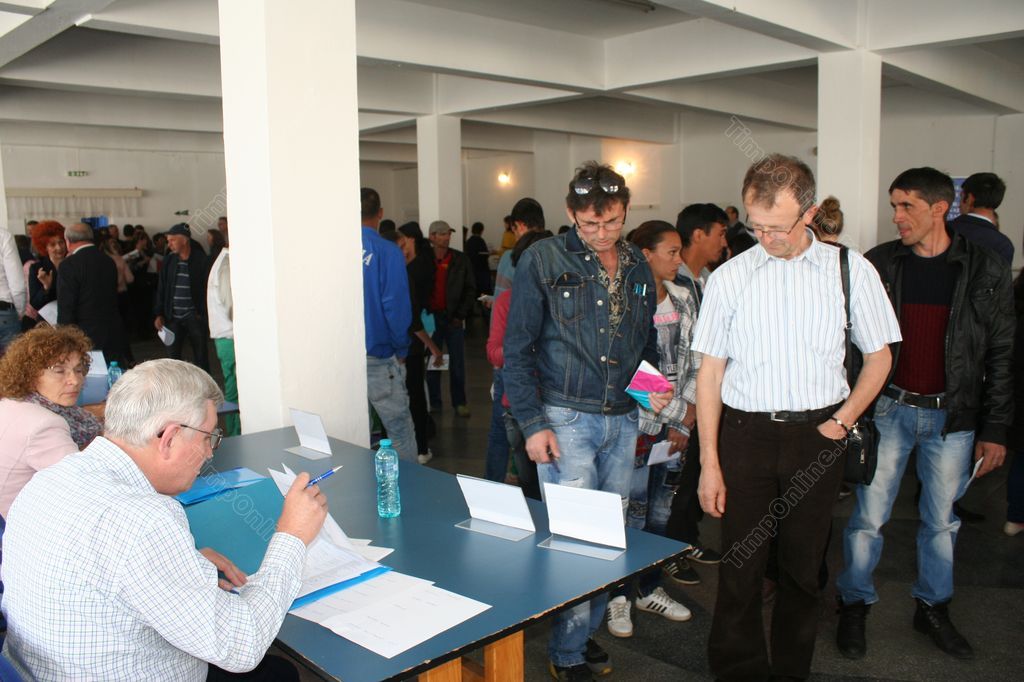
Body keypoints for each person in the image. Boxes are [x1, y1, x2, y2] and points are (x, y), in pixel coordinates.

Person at [692, 153, 900, 681]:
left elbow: (879, 357)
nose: (766, 238)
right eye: (755, 226)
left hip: (818, 434)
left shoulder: (850, 270)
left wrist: (842, 421)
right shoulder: (730, 277)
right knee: (740, 566)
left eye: (778, 227)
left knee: (803, 570)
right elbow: (709, 374)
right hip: (746, 434)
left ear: (808, 213)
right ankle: (738, 670)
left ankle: (791, 670)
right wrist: (709, 463)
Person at [1, 359, 327, 681]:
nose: (210, 453)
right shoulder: (143, 520)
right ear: (169, 438)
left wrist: (178, 563)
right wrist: (292, 535)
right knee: (278, 673)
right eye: (208, 437)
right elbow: (242, 647)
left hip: (41, 670)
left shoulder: (50, 479)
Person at [835, 167, 1014, 662]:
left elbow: (1001, 352)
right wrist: (850, 410)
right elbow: (849, 344)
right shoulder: (880, 264)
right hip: (888, 409)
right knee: (867, 519)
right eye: (894, 205)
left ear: (939, 208)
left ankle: (933, 607)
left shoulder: (984, 267)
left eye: (906, 206)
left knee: (941, 522)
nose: (897, 216)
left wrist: (995, 428)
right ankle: (853, 604)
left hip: (952, 418)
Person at [504, 161, 657, 681]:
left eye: (611, 221)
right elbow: (517, 349)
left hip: (623, 418)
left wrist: (653, 401)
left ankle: (582, 632)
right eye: (590, 223)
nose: (601, 233)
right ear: (571, 213)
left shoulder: (637, 264)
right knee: (574, 540)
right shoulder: (544, 259)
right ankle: (567, 651)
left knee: (610, 537)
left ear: (625, 210)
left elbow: (646, 344)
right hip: (564, 417)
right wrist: (532, 424)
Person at [606, 221, 697, 640]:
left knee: (661, 512)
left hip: (675, 428)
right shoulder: (625, 302)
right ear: (646, 254)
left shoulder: (683, 297)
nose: (679, 260)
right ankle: (617, 595)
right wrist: (680, 415)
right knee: (631, 513)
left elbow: (699, 359)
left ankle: (647, 587)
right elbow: (628, 370)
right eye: (671, 252)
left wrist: (684, 420)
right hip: (638, 425)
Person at [661, 203, 729, 587]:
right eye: (720, 233)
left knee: (690, 477)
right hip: (669, 404)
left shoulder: (706, 280)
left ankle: (686, 540)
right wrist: (681, 410)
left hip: (698, 396)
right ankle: (664, 555)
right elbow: (669, 357)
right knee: (665, 486)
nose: (724, 241)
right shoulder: (673, 288)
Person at [0, 325, 100, 515]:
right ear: (30, 374)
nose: (75, 380)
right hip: (20, 524)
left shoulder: (11, 402)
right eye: (59, 371)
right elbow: (87, 486)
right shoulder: (44, 425)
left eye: (79, 369)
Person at [485, 229, 553, 500]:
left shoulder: (564, 301)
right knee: (532, 487)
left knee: (560, 488)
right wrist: (528, 348)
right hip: (520, 405)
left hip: (561, 405)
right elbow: (494, 353)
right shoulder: (507, 301)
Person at [360, 188, 418, 462]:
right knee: (400, 432)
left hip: (339, 358)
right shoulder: (387, 251)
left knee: (349, 432)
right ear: (380, 213)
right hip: (379, 356)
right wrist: (401, 347)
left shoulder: (333, 249)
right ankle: (410, 486)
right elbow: (395, 306)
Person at [394, 222, 444, 464]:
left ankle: (420, 446)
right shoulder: (409, 270)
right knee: (414, 393)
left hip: (411, 341)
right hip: (411, 340)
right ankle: (419, 446)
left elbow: (413, 318)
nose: (402, 250)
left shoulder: (411, 271)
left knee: (413, 394)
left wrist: (432, 347)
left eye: (404, 244)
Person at [57, 222, 129, 366]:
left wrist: (63, 339)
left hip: (83, 334)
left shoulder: (69, 264)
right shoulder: (108, 261)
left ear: (68, 241)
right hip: (111, 329)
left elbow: (67, 307)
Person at [425, 220, 476, 417]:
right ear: (432, 237)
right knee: (433, 361)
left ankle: (459, 402)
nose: (446, 237)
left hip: (453, 318)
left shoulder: (460, 259)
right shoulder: (424, 259)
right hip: (431, 318)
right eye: (441, 234)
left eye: (448, 233)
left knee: (457, 363)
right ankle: (434, 401)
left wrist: (460, 314)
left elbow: (470, 289)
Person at [154, 223, 211, 372]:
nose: (169, 244)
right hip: (172, 317)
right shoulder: (169, 261)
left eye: (172, 240)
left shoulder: (201, 260)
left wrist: (202, 313)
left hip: (194, 316)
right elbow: (162, 288)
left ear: (184, 240)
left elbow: (208, 288)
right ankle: (177, 385)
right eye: (168, 241)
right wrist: (159, 313)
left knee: (201, 356)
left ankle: (204, 383)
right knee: (173, 358)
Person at [207, 221, 240, 437]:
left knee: (233, 390)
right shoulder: (227, 265)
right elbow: (232, 308)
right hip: (230, 337)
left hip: (225, 337)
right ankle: (237, 434)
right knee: (235, 394)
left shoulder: (222, 261)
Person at [948, 172, 1013, 266]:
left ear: (969, 198)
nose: (959, 205)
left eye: (961, 196)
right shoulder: (1003, 244)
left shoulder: (945, 230)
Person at [27, 221, 67, 314]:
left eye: (61, 242)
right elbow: (35, 303)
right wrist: (46, 288)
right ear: (45, 247)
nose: (59, 247)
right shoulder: (36, 269)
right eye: (52, 245)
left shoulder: (74, 264)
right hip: (48, 319)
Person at [0, 226, 27, 353]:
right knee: (11, 363)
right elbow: (17, 283)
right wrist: (19, 311)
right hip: (4, 311)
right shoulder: (4, 236)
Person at [465, 221, 492, 298]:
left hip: (471, 270)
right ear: (481, 231)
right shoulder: (480, 241)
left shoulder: (468, 241)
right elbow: (485, 255)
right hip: (482, 271)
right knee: (483, 293)